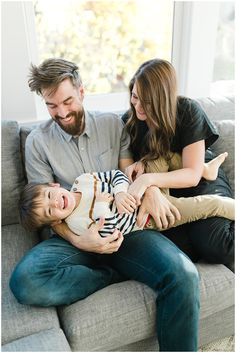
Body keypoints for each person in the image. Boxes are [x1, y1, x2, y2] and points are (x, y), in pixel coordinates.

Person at [10, 58, 200, 352]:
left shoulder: (112, 124)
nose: (61, 112)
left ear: (82, 92)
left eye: (67, 101)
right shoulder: (37, 142)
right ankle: (108, 274)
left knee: (184, 275)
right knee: (25, 282)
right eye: (51, 105)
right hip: (73, 236)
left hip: (125, 228)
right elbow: (47, 211)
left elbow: (128, 174)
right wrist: (81, 240)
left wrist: (147, 188)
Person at [122, 58, 234, 265]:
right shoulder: (130, 122)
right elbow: (127, 170)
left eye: (146, 101)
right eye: (134, 96)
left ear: (162, 99)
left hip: (201, 179)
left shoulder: (187, 110)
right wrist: (151, 189)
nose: (137, 106)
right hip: (167, 192)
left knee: (219, 246)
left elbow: (192, 175)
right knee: (169, 246)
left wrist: (147, 181)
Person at [19, 159, 234, 235]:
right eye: (50, 210)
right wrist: (104, 206)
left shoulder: (82, 180)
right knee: (210, 204)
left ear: (54, 185)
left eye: (49, 195)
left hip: (140, 189)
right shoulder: (76, 223)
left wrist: (121, 192)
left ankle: (204, 170)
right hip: (149, 217)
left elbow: (115, 176)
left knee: (159, 155)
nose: (55, 202)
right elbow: (112, 230)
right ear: (55, 221)